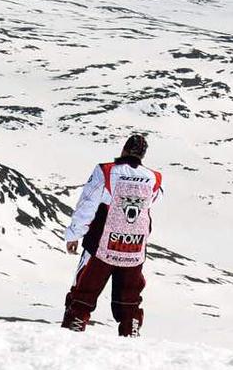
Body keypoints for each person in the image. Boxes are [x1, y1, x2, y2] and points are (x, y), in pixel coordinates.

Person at [61, 134, 163, 336]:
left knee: (85, 290)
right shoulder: (154, 177)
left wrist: (74, 234)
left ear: (124, 150)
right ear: (143, 155)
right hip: (134, 248)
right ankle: (131, 331)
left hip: (102, 245)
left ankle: (74, 328)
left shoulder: (106, 171)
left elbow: (87, 204)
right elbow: (153, 201)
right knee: (130, 296)